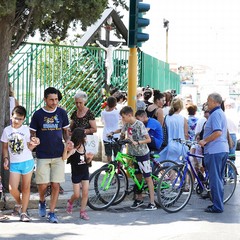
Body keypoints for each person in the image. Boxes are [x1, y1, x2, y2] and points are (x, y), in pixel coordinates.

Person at [30, 87, 70, 223]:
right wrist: (33, 140)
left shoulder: (62, 113)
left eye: (56, 100)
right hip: (42, 154)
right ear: (45, 99)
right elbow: (33, 133)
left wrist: (68, 142)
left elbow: (65, 131)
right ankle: (42, 201)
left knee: (55, 185)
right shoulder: (38, 115)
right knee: (42, 184)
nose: (54, 102)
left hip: (58, 154)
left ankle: (52, 212)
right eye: (51, 100)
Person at [111, 106, 156, 210]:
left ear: (129, 115)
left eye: (123, 117)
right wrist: (114, 134)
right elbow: (122, 132)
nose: (122, 119)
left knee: (147, 177)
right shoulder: (127, 124)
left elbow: (148, 139)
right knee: (137, 177)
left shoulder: (139, 124)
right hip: (133, 154)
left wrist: (138, 142)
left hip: (142, 153)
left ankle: (152, 203)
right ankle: (139, 199)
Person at [1, 106, 40, 222]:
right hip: (14, 163)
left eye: (21, 119)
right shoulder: (7, 130)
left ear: (24, 119)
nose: (17, 121)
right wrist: (6, 159)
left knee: (25, 187)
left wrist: (34, 144)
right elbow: (4, 148)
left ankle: (23, 213)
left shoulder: (26, 129)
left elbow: (29, 147)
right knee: (12, 188)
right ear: (11, 116)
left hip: (27, 161)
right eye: (16, 118)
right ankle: (20, 204)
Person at [199, 93, 228, 213]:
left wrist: (205, 140)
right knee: (218, 179)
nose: (207, 103)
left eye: (208, 101)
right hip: (221, 149)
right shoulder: (220, 113)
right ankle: (218, 203)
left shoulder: (215, 114)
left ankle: (217, 206)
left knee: (215, 179)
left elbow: (218, 132)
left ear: (215, 102)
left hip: (214, 150)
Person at [63, 128, 94, 220]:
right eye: (84, 136)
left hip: (84, 172)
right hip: (76, 173)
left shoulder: (85, 147)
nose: (86, 137)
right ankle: (70, 201)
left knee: (85, 193)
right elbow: (64, 158)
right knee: (77, 195)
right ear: (80, 137)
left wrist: (89, 158)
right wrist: (68, 151)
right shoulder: (73, 148)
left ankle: (83, 212)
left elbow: (86, 161)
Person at [157, 97, 188, 163]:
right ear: (180, 107)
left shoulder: (167, 117)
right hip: (180, 145)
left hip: (169, 145)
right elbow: (186, 134)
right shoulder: (183, 119)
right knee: (178, 166)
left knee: (169, 166)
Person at [101, 96, 121, 162]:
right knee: (117, 154)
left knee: (108, 155)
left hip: (106, 135)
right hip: (116, 135)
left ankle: (110, 168)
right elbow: (121, 119)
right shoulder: (117, 112)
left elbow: (102, 121)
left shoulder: (103, 113)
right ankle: (118, 169)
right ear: (115, 104)